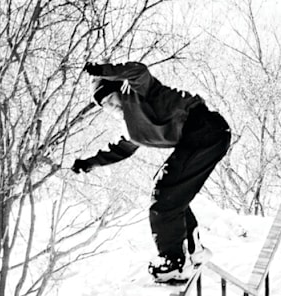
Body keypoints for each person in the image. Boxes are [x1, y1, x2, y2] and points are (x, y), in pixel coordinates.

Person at [72, 61, 231, 284]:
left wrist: (104, 71)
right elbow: (120, 149)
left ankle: (174, 261)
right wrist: (89, 163)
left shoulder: (139, 91)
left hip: (204, 128)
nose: (111, 107)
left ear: (119, 89)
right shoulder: (132, 127)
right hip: (203, 137)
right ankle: (193, 248)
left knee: (164, 194)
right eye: (105, 106)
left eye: (110, 99)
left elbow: (138, 71)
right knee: (169, 191)